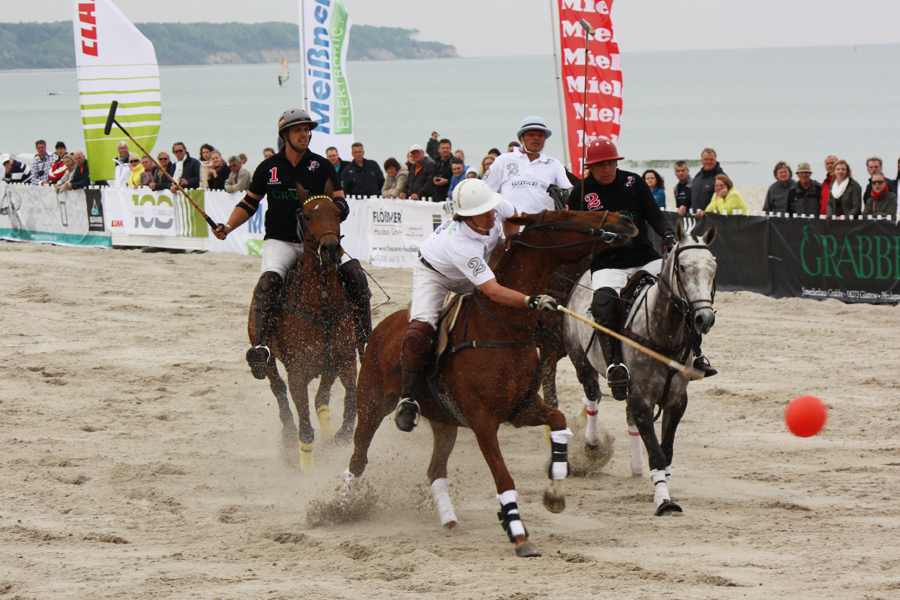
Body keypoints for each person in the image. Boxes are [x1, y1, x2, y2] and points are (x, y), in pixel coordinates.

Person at [212, 108, 370, 378]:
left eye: (307, 130)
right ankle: (261, 346)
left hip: (319, 243)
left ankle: (364, 342)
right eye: (298, 130)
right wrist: (227, 226)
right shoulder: (268, 167)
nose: (304, 134)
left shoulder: (322, 166)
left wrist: (332, 211)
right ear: (285, 134)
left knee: (355, 275)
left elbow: (342, 203)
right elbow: (249, 203)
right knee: (268, 282)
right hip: (281, 241)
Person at [393, 179, 559, 431]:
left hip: (479, 265)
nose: (491, 214)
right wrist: (530, 300)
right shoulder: (460, 244)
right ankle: (408, 398)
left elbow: (515, 217)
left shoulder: (494, 208)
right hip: (436, 275)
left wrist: (512, 242)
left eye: (491, 208)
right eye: (484, 213)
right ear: (467, 217)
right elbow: (492, 291)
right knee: (420, 330)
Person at [566, 138, 716, 399]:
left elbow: (653, 214)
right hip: (607, 262)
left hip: (644, 256)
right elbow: (575, 233)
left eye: (611, 163)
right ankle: (615, 363)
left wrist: (668, 234)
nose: (607, 169)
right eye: (601, 165)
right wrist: (597, 237)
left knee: (682, 293)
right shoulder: (579, 193)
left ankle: (696, 353)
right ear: (590, 166)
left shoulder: (633, 182)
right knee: (604, 304)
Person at [483, 116, 571, 215]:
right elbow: (486, 192)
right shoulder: (502, 160)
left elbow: (568, 191)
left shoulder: (554, 164)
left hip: (542, 227)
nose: (536, 138)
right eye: (531, 134)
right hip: (510, 226)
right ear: (521, 139)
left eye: (541, 135)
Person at [690, 148, 725, 215]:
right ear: (701, 161)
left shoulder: (721, 177)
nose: (708, 162)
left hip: (712, 217)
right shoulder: (698, 176)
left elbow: (723, 200)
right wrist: (684, 205)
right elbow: (691, 194)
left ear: (715, 160)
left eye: (711, 159)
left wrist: (707, 211)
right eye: (706, 159)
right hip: (696, 216)